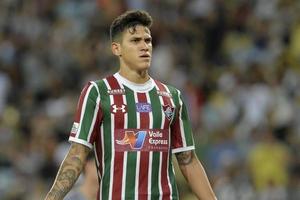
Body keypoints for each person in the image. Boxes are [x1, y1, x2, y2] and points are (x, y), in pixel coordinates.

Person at [44, 10, 217, 200]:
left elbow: (188, 160)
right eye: (135, 41)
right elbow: (77, 154)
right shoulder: (97, 92)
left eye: (148, 40)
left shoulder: (171, 96)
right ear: (116, 48)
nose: (144, 46)